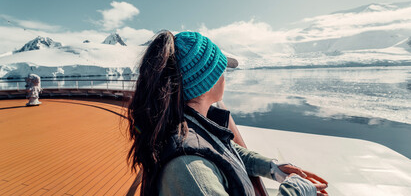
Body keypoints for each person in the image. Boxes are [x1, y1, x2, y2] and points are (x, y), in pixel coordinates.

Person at [125, 30, 328, 196]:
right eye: (222, 70)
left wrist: (271, 167)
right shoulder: (189, 168)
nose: (225, 76)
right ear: (206, 83)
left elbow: (222, 148)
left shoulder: (187, 123)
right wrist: (294, 192)